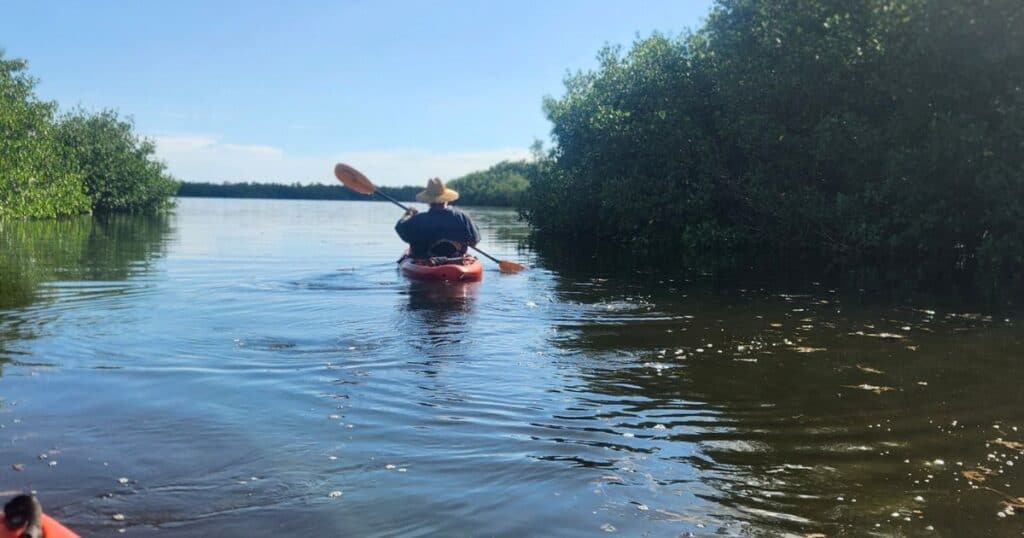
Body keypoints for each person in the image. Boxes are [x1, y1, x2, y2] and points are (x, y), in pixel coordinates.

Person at [396, 177, 480, 259]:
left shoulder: (418, 219)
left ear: (429, 201)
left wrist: (408, 215)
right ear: (446, 199)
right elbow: (475, 240)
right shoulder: (462, 217)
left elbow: (400, 228)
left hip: (426, 262)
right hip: (457, 261)